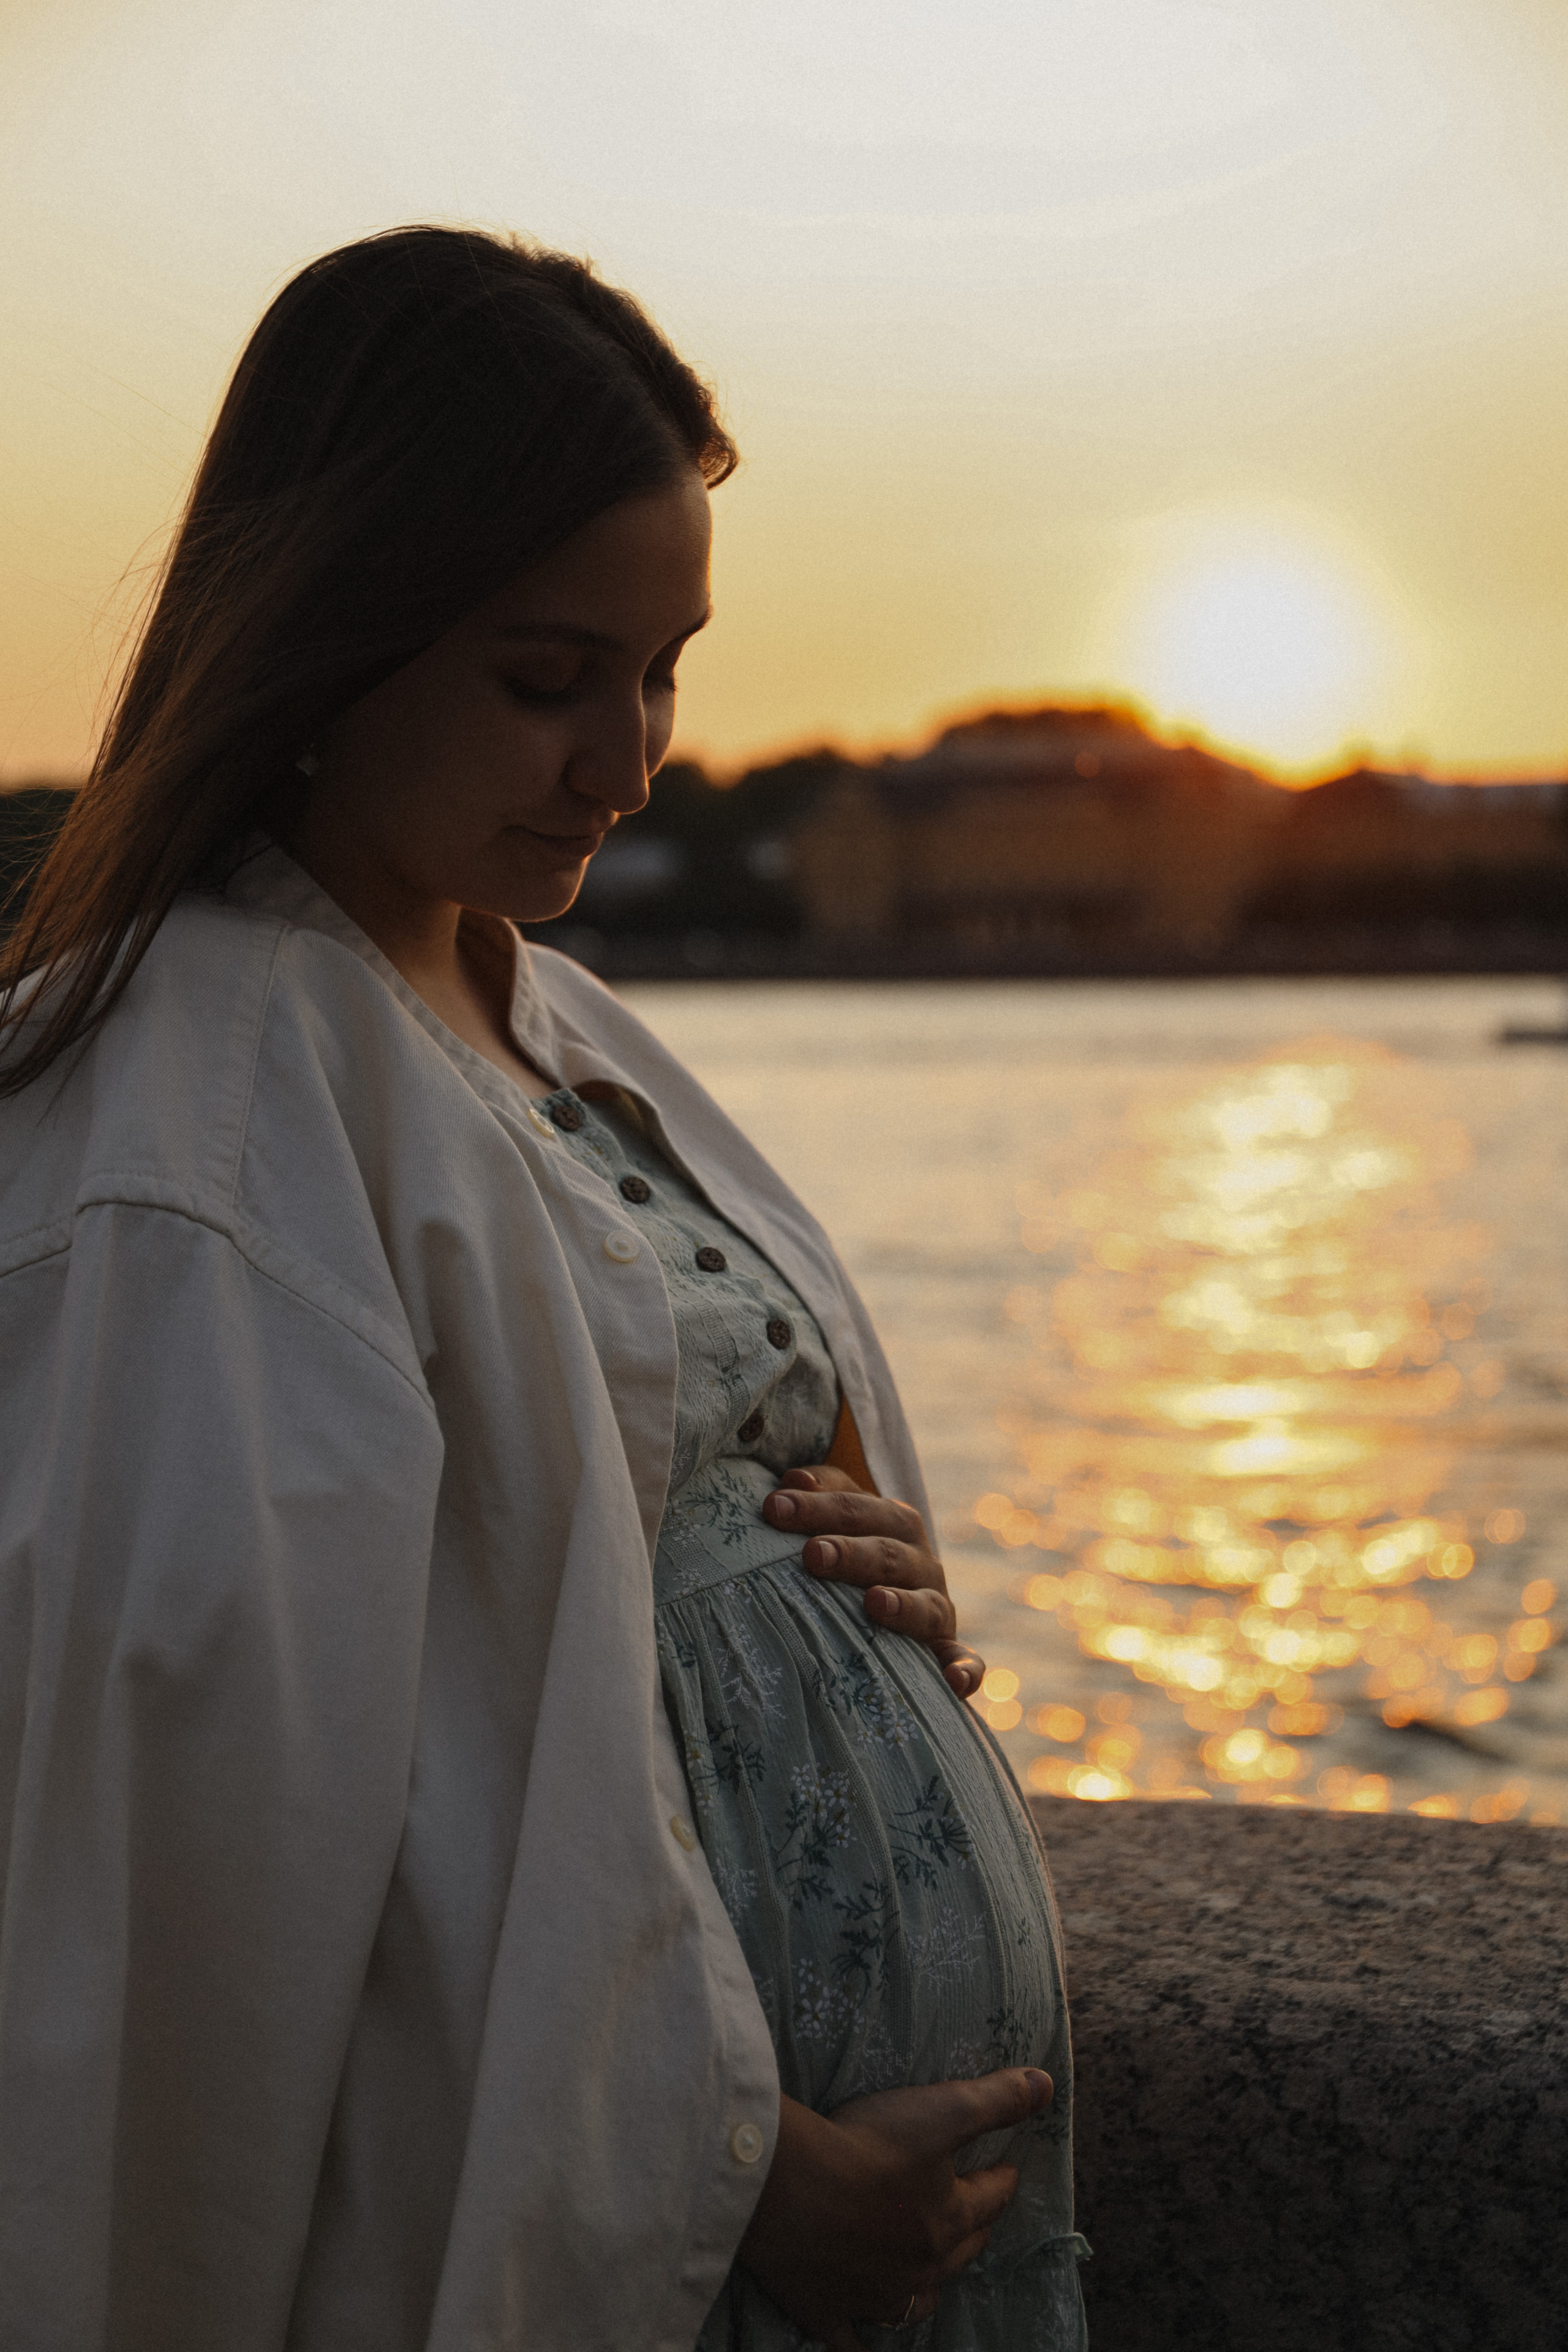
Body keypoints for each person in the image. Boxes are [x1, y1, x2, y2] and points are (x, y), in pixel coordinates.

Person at [0, 226, 1087, 2351]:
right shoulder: (193, 1113)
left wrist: (855, 1590)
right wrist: (742, 2165)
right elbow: (220, 1831)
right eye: (547, 674)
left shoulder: (545, 1013)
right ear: (329, 634)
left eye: (667, 665)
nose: (635, 754)